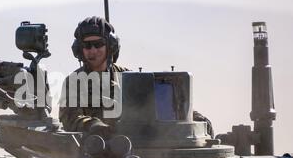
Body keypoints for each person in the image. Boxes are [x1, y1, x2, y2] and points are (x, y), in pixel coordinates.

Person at [58, 16, 214, 138]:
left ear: (110, 46)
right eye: (87, 46)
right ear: (79, 49)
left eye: (98, 44)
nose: (92, 51)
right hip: (95, 155)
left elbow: (161, 103)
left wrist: (194, 117)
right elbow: (71, 118)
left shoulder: (127, 77)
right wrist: (93, 126)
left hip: (137, 148)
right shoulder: (74, 82)